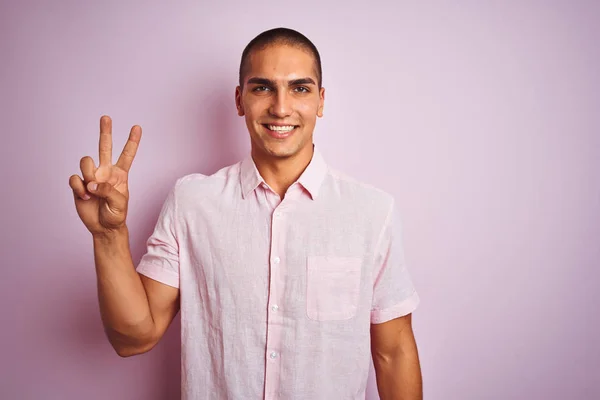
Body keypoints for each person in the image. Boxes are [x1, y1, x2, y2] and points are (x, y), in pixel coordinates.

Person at [69, 27, 422, 400]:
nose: (281, 107)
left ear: (321, 100)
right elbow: (133, 338)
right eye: (262, 87)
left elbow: (393, 354)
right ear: (240, 100)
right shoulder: (192, 202)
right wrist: (108, 235)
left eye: (299, 88)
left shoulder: (371, 212)